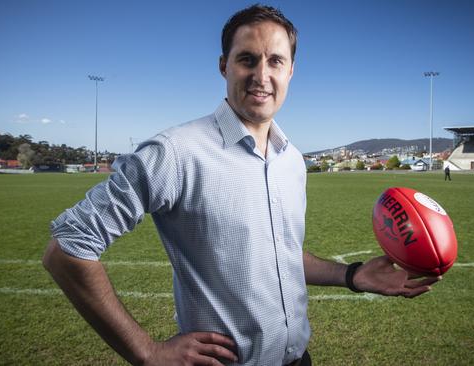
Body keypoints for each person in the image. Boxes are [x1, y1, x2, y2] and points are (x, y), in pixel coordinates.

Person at [43, 5, 440, 365]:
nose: (261, 76)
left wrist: (352, 275)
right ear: (224, 66)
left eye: (275, 61)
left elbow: (278, 256)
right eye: (247, 59)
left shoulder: (292, 160)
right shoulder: (176, 152)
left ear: (290, 71)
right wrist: (146, 352)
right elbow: (67, 247)